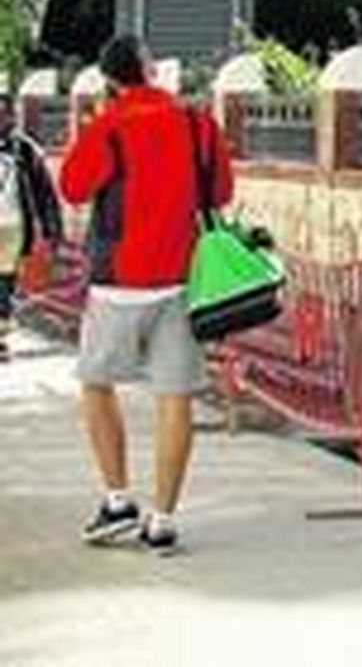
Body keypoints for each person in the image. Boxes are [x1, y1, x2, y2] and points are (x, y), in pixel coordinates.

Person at [60, 36, 234, 555]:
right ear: (151, 70)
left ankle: (117, 501)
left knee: (95, 384)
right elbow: (221, 193)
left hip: (117, 285)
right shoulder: (198, 123)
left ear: (111, 79)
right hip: (183, 283)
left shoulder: (108, 127)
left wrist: (93, 125)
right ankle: (162, 520)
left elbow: (72, 186)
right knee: (174, 398)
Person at [0, 93, 64, 361]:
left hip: (12, 227)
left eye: (3, 113)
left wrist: (52, 230)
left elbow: (44, 192)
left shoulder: (24, 150)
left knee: (5, 282)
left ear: (12, 116)